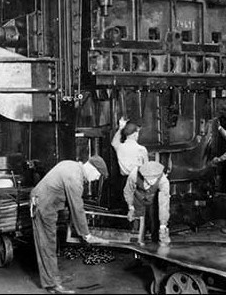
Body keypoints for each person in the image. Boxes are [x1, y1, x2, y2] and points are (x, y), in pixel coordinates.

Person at [30, 156, 109, 294]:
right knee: (47, 245)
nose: (96, 179)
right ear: (91, 168)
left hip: (47, 203)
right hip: (43, 205)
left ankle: (53, 277)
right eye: (98, 175)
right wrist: (86, 235)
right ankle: (52, 285)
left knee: (51, 244)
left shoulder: (72, 165)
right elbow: (77, 207)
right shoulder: (75, 178)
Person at [124, 160, 170, 246]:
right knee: (136, 227)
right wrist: (130, 207)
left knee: (154, 224)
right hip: (137, 200)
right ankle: (135, 248)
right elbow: (128, 191)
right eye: (149, 179)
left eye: (154, 179)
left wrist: (163, 225)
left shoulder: (163, 181)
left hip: (152, 201)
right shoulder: (134, 174)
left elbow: (164, 204)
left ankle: (154, 248)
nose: (152, 182)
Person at [111, 117, 148, 192]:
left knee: (125, 202)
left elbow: (113, 142)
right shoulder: (141, 149)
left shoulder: (120, 147)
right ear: (135, 134)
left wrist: (121, 128)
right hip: (138, 181)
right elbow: (146, 169)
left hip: (124, 181)